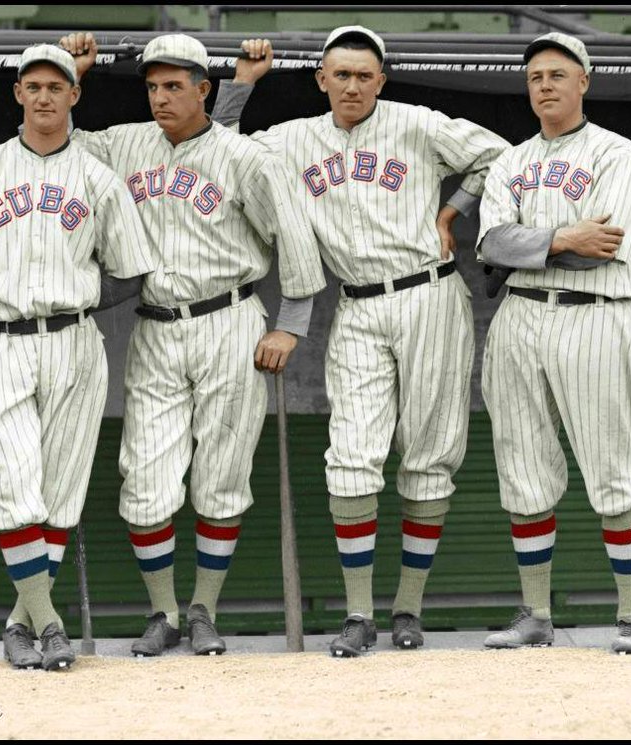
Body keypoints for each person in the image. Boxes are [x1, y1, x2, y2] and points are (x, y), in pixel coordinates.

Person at [207, 27, 510, 656]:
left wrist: (452, 211)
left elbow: (499, 158)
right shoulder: (293, 139)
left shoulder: (417, 124)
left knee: (429, 455)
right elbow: (218, 149)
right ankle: (358, 613)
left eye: (364, 75)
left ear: (381, 80)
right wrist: (241, 84)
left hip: (428, 292)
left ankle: (408, 609)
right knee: (350, 458)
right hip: (357, 303)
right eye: (340, 74)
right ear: (321, 79)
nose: (352, 85)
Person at [58, 32, 326, 656]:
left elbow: (296, 238)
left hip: (229, 321)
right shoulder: (125, 142)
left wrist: (290, 324)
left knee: (222, 476)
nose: (160, 97)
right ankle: (164, 612)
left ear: (206, 90)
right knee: (145, 477)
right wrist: (72, 74)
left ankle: (204, 607)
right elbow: (59, 144)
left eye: (174, 86)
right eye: (152, 86)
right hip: (154, 323)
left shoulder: (247, 158)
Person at [0, 44, 155, 670]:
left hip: (74, 341)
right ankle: (50, 622)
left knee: (59, 493)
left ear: (75, 95)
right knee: (10, 482)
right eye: (34, 86)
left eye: (58, 86)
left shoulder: (99, 179)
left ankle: (20, 624)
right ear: (19, 94)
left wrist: (70, 296)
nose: (46, 96)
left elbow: (132, 272)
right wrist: (6, 282)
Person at [476, 33, 631, 654]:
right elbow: (490, 246)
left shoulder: (616, 152)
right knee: (523, 471)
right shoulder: (510, 160)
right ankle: (536, 615)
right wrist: (561, 238)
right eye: (535, 77)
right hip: (519, 320)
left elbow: (603, 248)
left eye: (558, 74)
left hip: (597, 315)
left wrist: (534, 241)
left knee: (613, 470)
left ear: (585, 81)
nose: (545, 85)